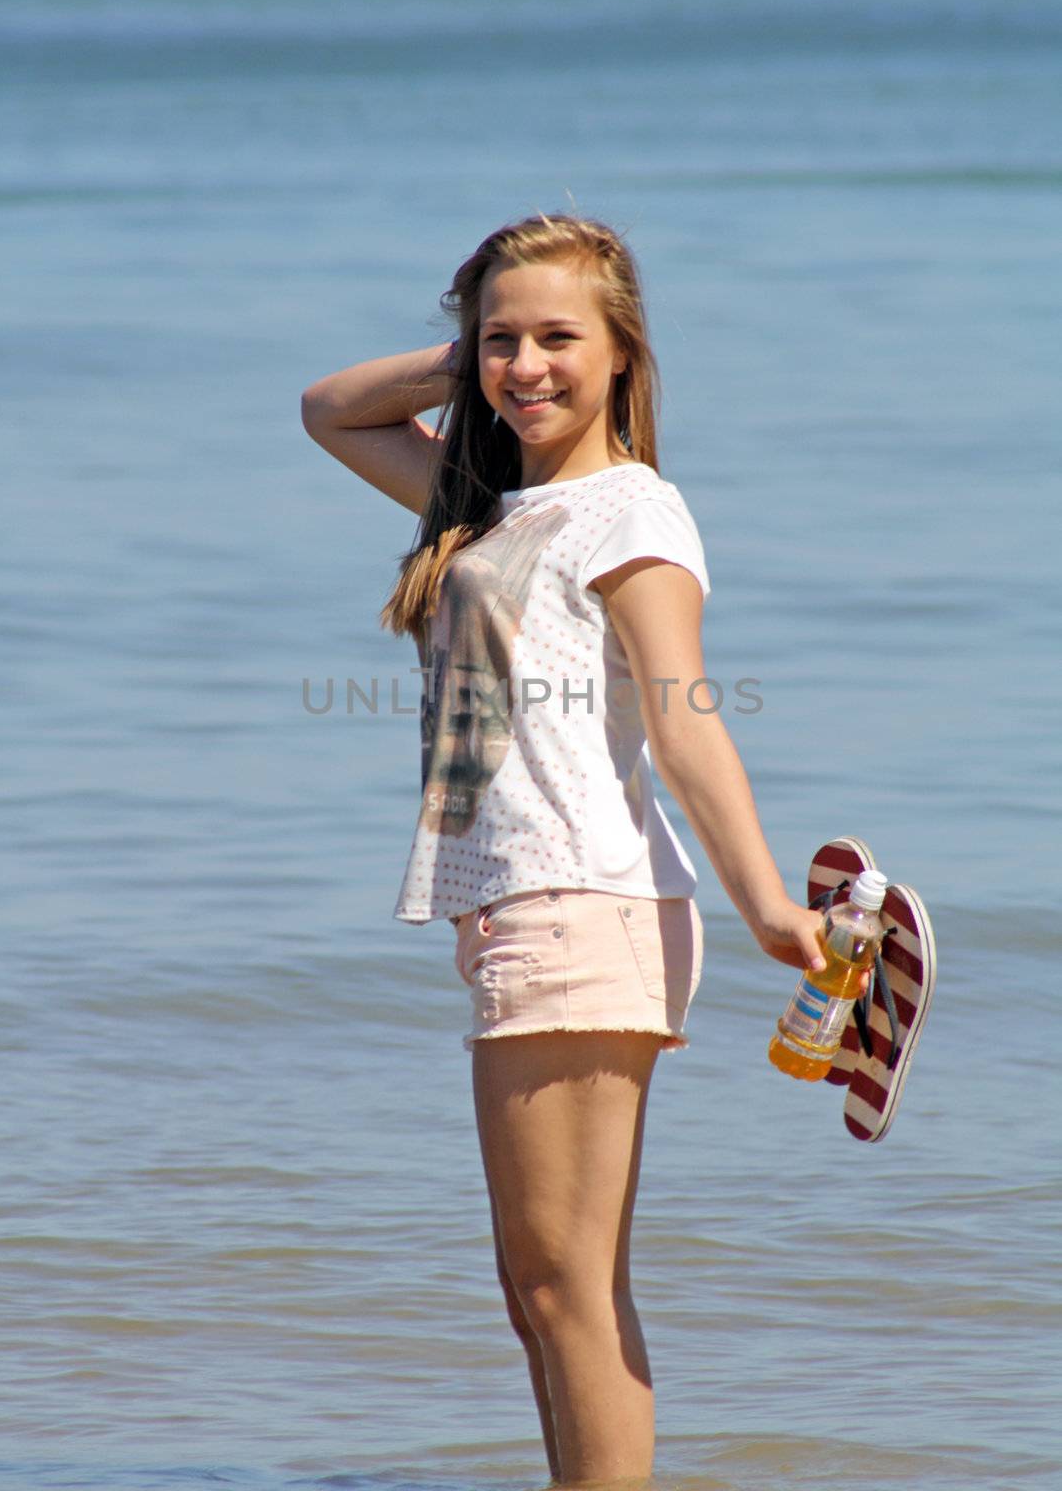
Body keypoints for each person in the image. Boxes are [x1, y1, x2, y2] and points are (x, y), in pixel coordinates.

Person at [301, 213, 853, 1488]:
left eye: (561, 338)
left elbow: (683, 717)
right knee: (546, 1291)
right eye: (503, 339)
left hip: (578, 903)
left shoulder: (628, 512)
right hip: (532, 909)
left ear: (623, 353)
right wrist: (474, 365)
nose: (527, 365)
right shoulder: (496, 504)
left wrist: (766, 901)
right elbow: (331, 410)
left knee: (564, 1294)